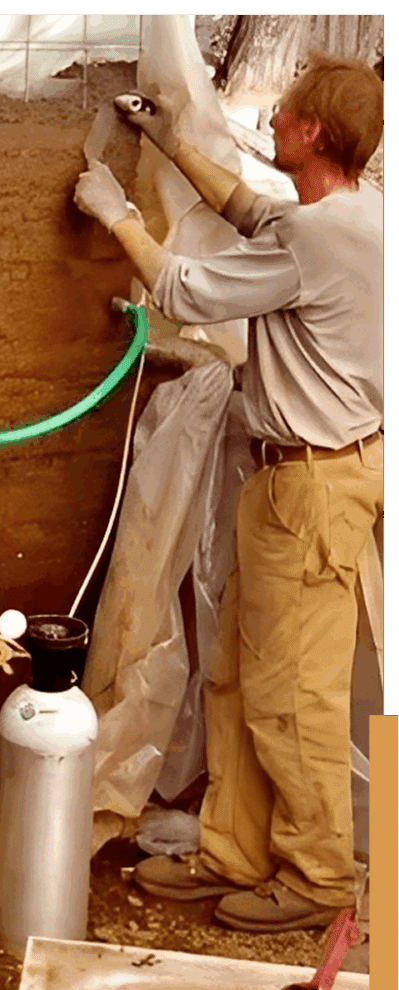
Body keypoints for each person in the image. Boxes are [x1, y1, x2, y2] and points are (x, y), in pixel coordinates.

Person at [74, 53, 383, 932]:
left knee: (292, 698)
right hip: (297, 481)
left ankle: (319, 876)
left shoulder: (322, 239)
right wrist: (171, 144)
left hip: (311, 489)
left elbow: (180, 286)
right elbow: (253, 213)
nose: (272, 123)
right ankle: (234, 852)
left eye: (283, 115)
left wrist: (119, 214)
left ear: (312, 131)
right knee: (241, 681)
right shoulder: (354, 213)